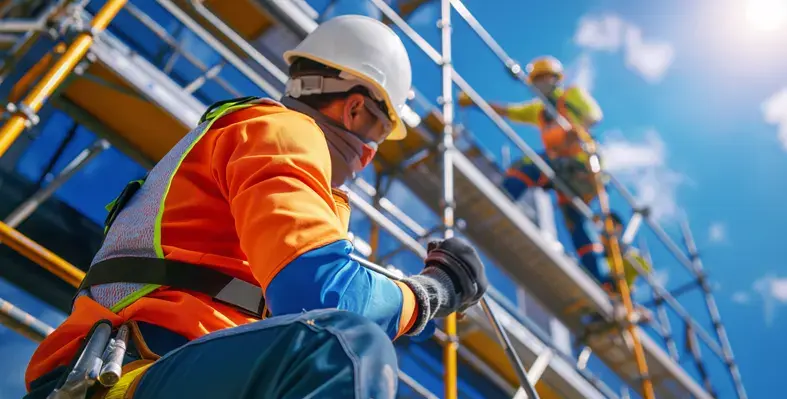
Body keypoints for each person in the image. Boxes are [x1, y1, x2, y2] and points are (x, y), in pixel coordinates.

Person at [25, 15, 488, 399]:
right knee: (343, 348)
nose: (370, 155)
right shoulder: (285, 131)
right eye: (380, 135)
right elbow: (321, 291)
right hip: (132, 375)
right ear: (355, 110)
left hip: (140, 373)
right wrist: (430, 294)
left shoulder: (244, 138)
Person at [458, 55, 607, 287]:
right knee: (578, 225)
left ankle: (502, 199)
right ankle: (602, 282)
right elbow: (509, 111)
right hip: (560, 171)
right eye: (536, 80)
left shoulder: (571, 95)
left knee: (531, 164)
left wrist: (576, 130)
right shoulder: (539, 110)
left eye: (543, 78)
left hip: (580, 166)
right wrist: (476, 102)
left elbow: (593, 116)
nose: (539, 84)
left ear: (555, 79)